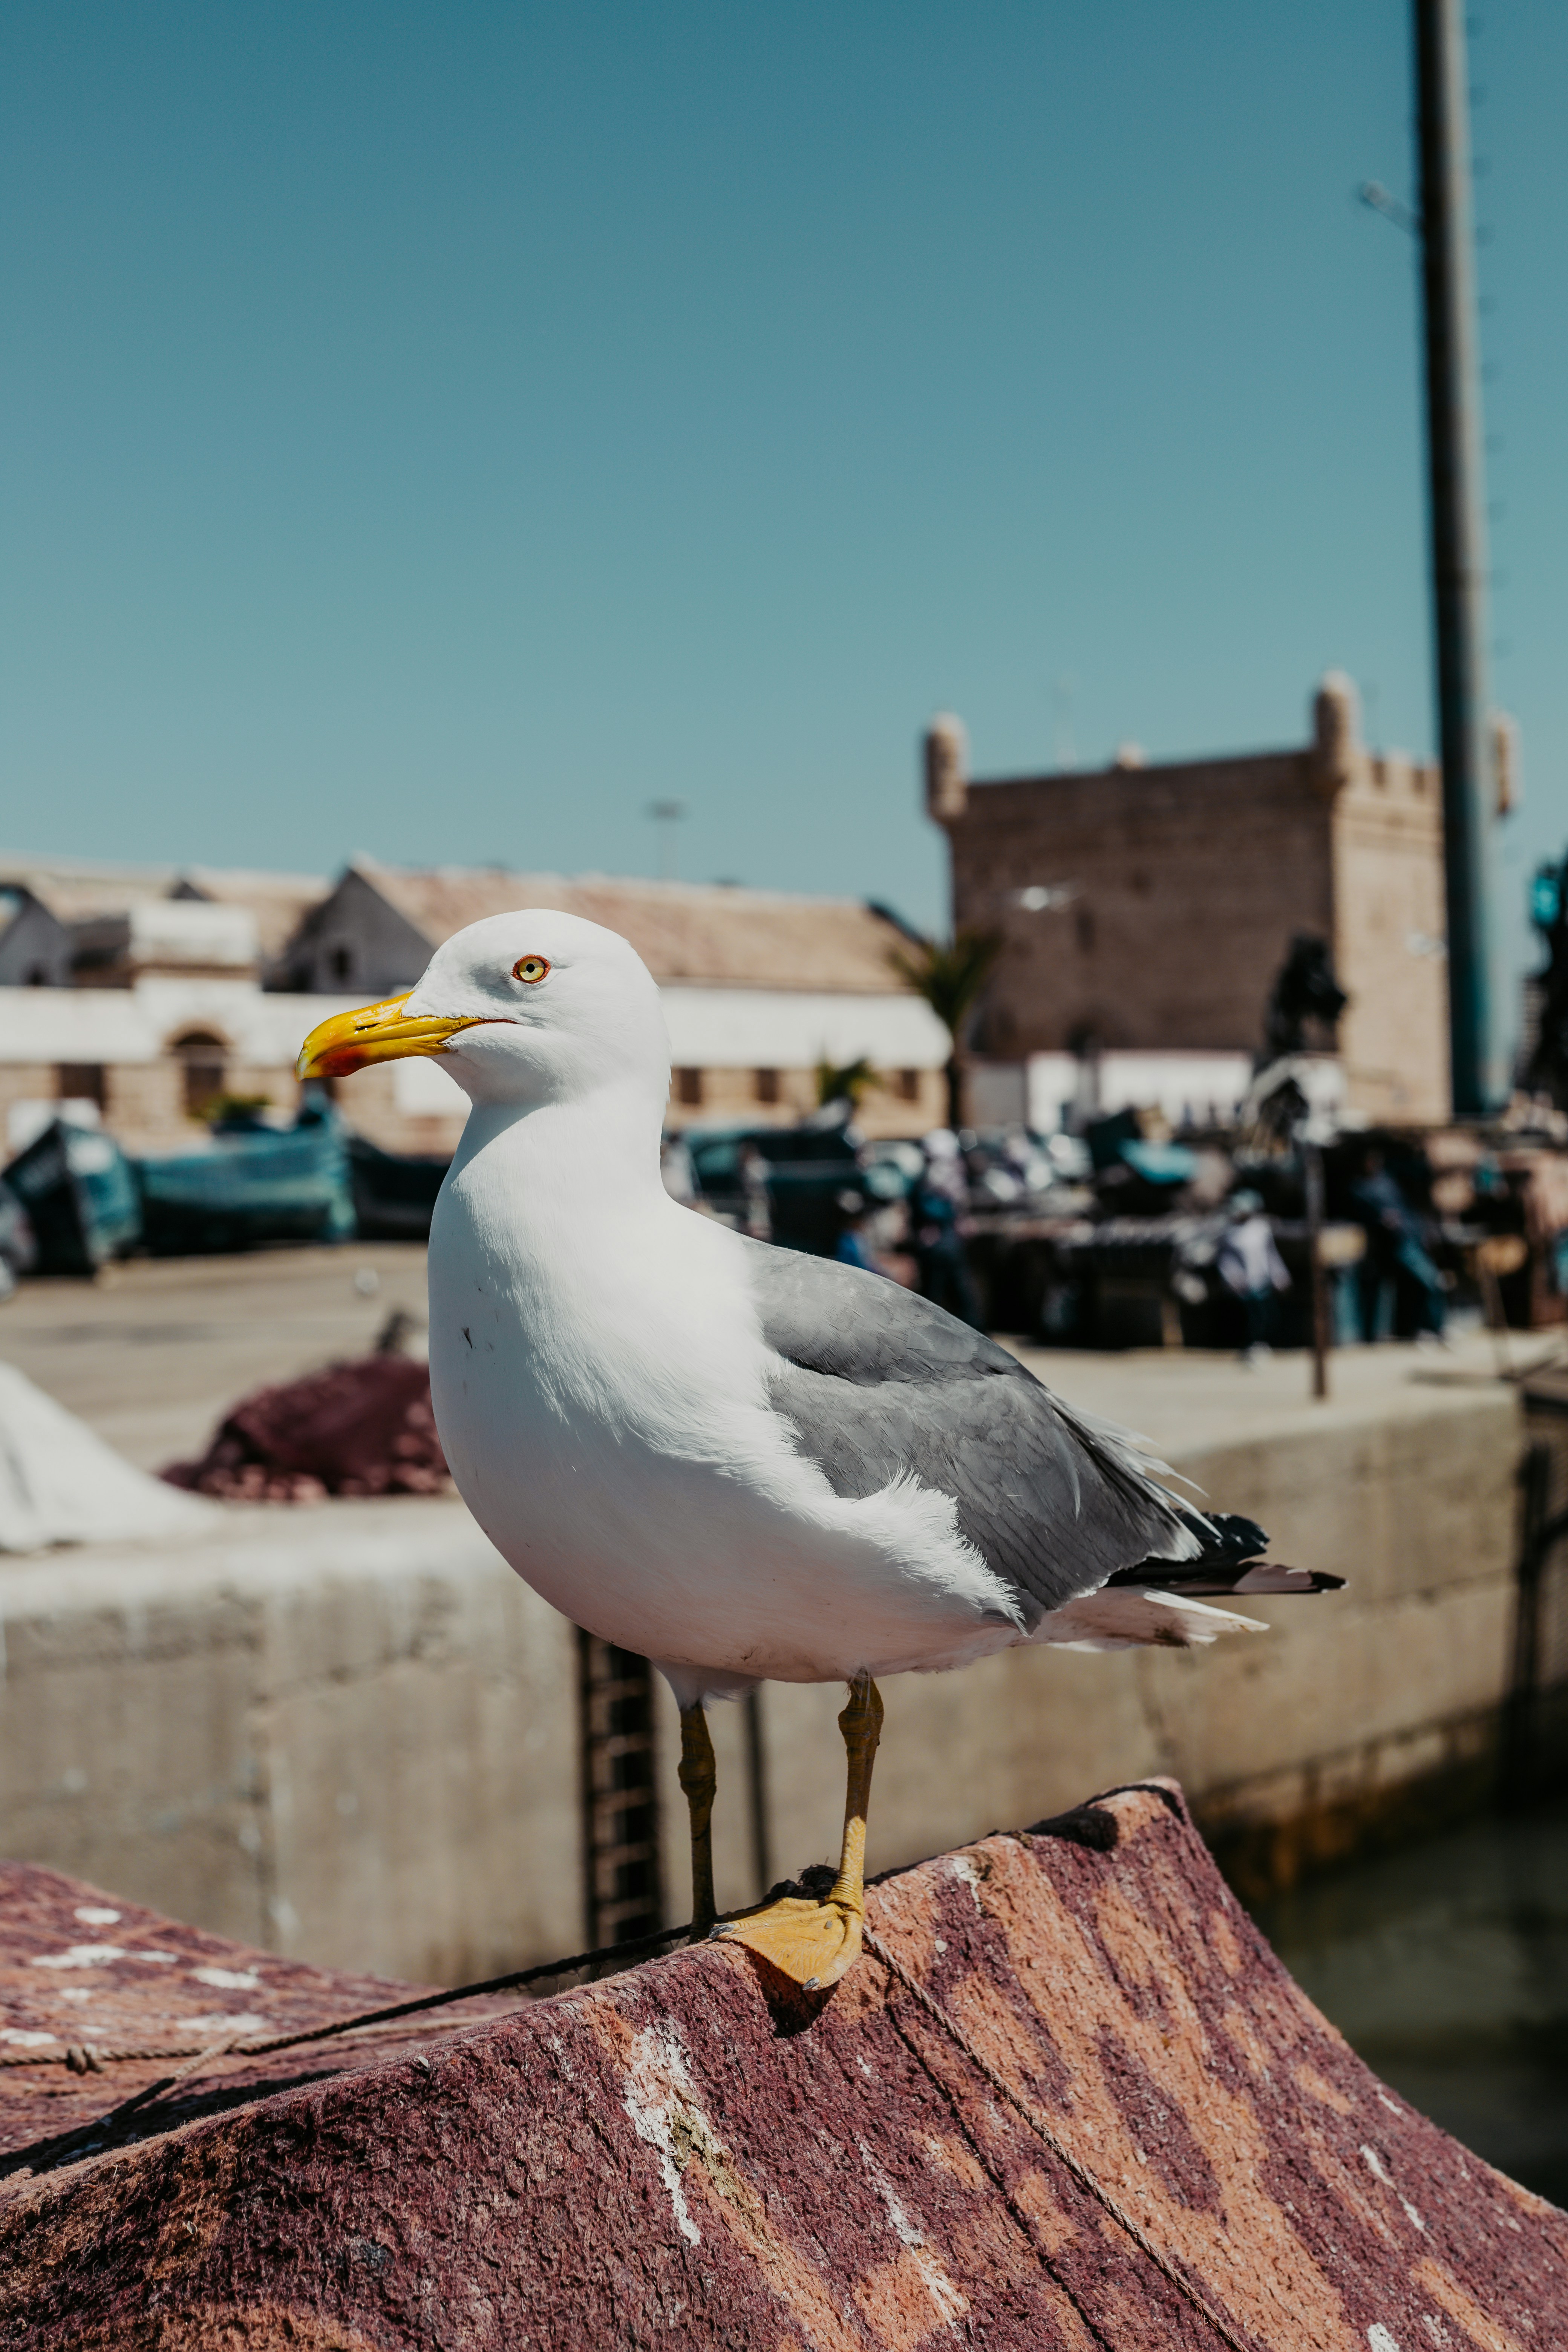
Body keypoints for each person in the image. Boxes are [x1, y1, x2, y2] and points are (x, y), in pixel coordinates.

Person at [1348, 1147, 1446, 1342]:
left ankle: (1431, 1328)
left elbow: (1406, 1210)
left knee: (1428, 1284)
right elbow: (1372, 1218)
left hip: (1411, 1239)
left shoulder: (1387, 1182)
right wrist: (1383, 1220)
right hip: (1394, 1246)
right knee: (1431, 1282)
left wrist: (1420, 1232)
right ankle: (1428, 1328)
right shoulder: (1360, 1189)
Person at [913, 1130, 984, 1328]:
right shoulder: (932, 1183)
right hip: (943, 1246)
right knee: (941, 1294)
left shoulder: (932, 1182)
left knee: (950, 1293)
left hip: (944, 1245)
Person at [1215, 1190, 1291, 1363]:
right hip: (1242, 1285)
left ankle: (1263, 1345)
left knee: (1266, 1316)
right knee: (1246, 1318)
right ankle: (1248, 1348)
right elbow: (1226, 1261)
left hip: (1262, 1282)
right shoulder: (1229, 1233)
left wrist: (1280, 1276)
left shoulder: (1261, 1229)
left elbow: (1271, 1256)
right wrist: (1232, 1278)